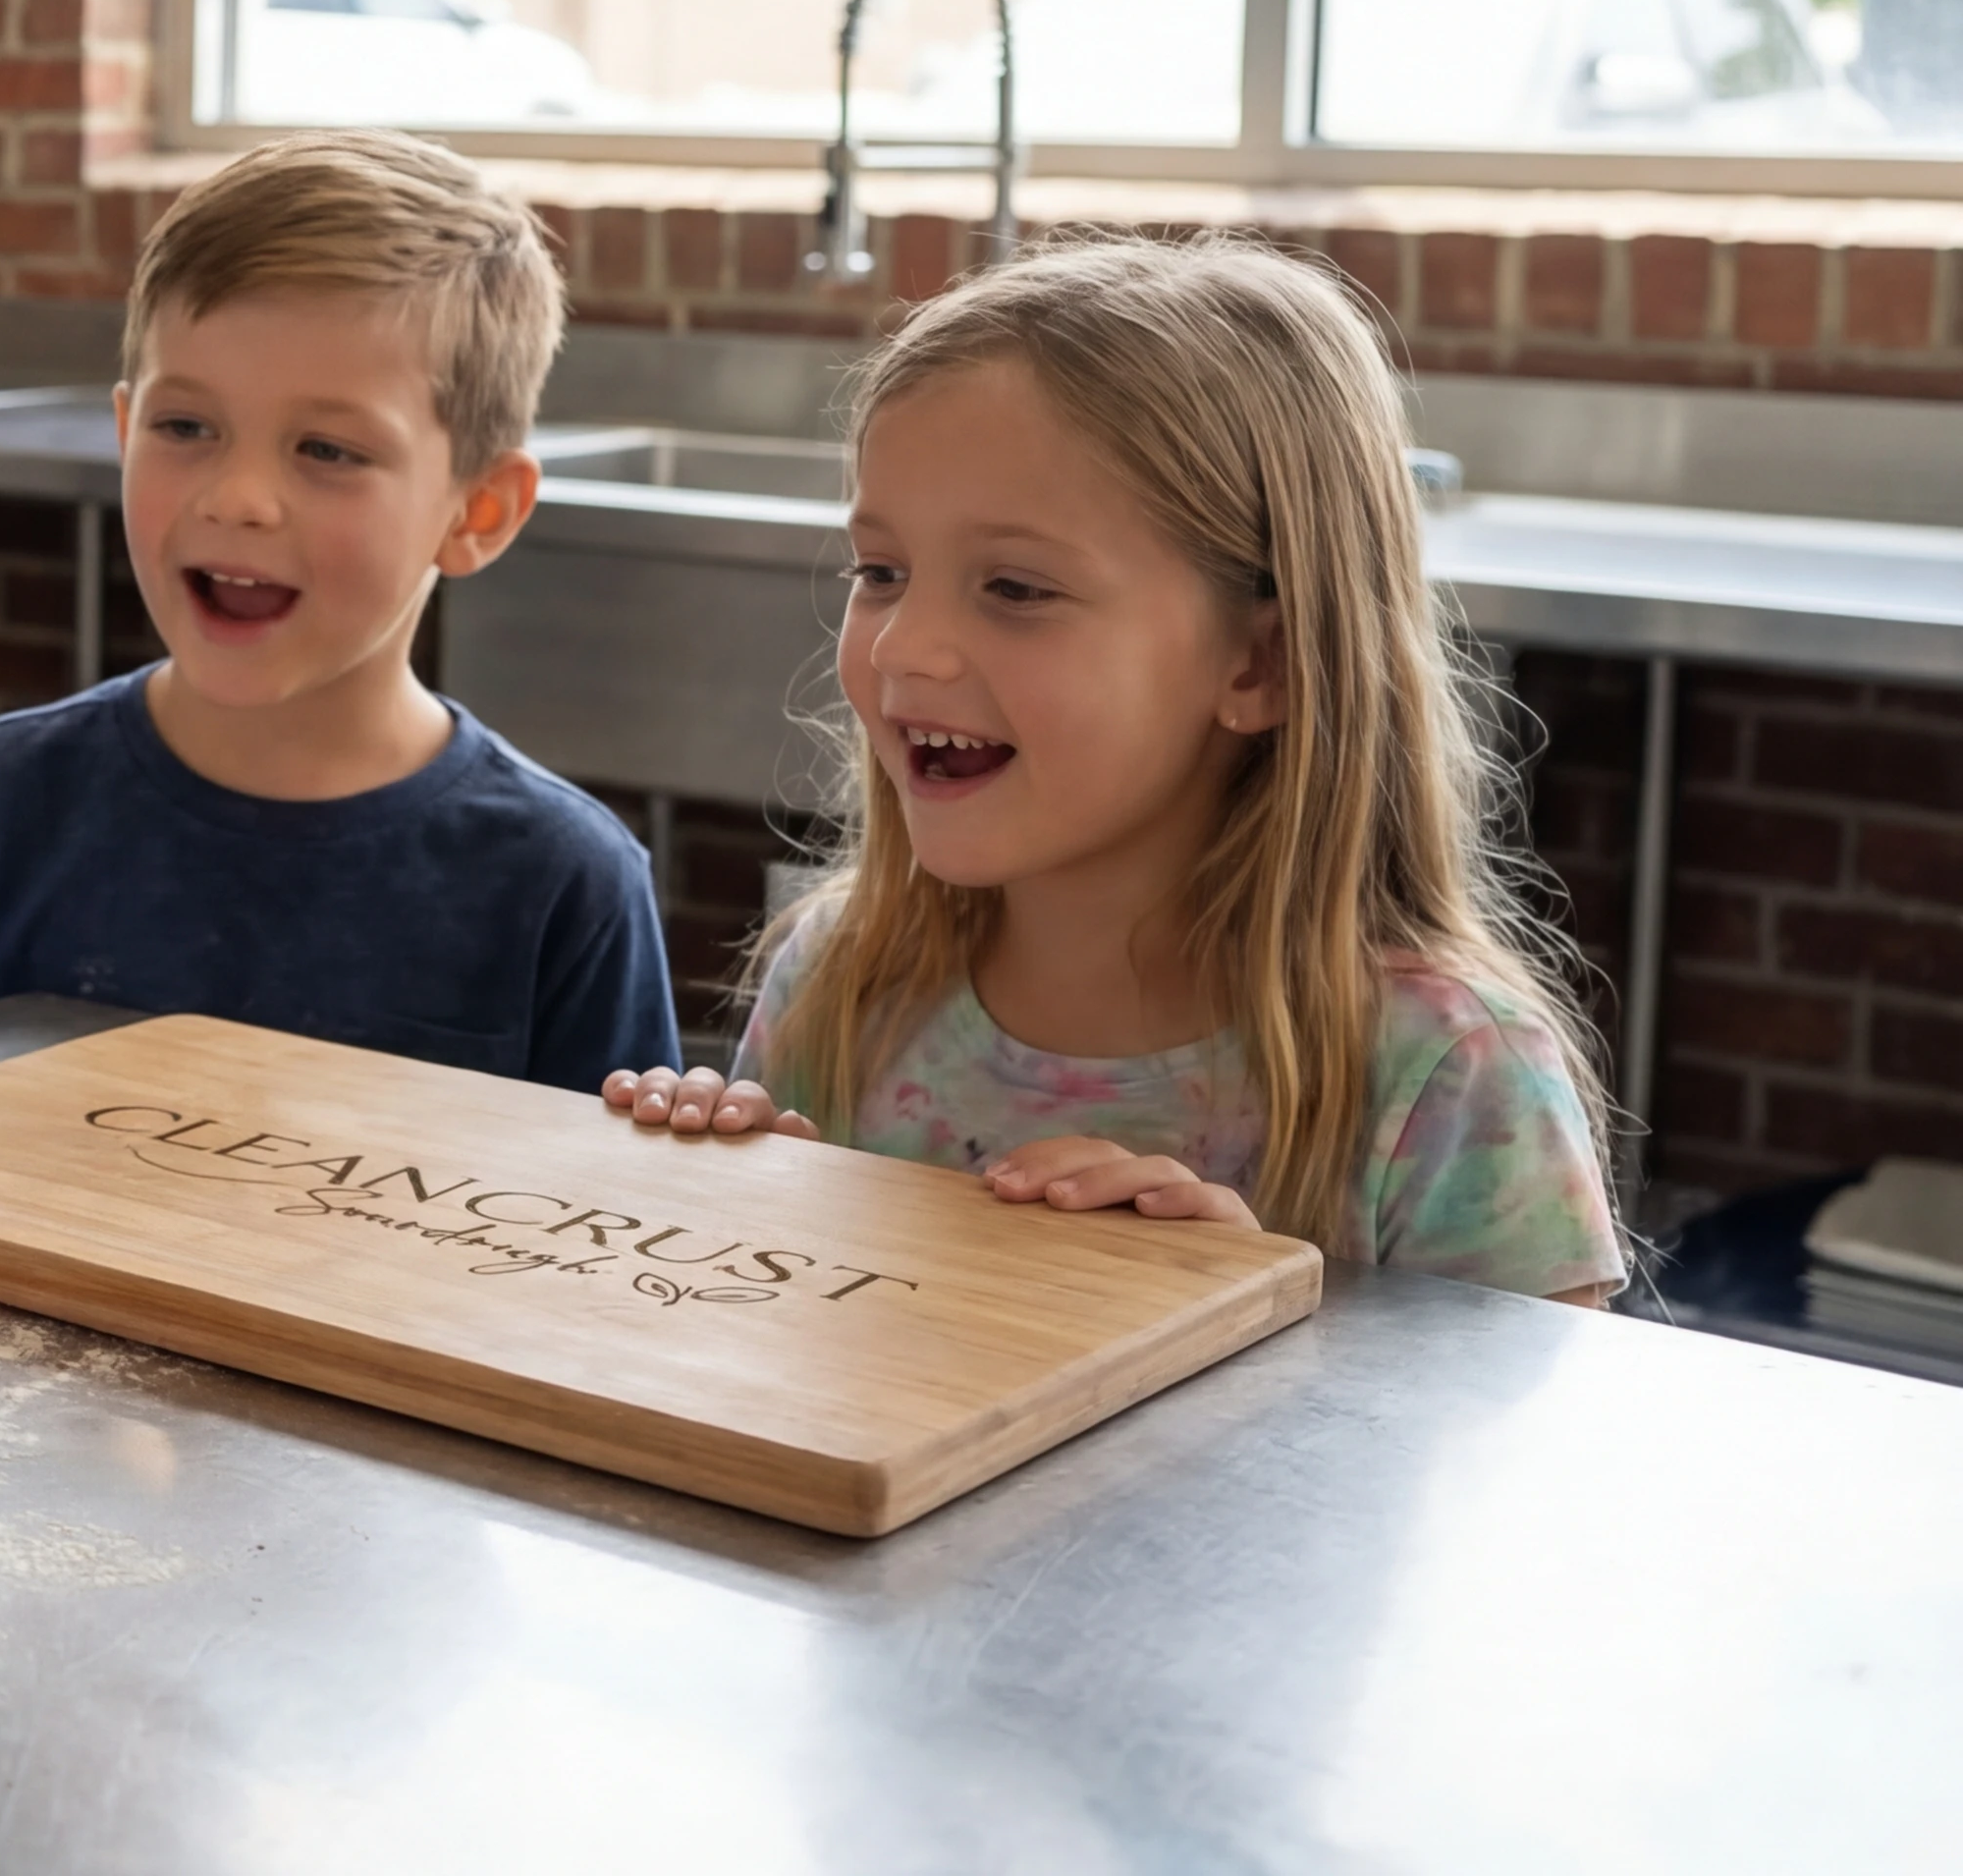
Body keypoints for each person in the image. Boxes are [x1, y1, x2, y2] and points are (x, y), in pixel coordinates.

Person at [604, 239, 1622, 1302]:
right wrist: (718, 1227)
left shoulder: (1447, 1073)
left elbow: (1535, 1469)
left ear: (1258, 663)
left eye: (1014, 587)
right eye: (879, 572)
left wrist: (1243, 1317)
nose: (902, 646)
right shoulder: (841, 980)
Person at [0, 132, 678, 1084]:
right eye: (184, 428)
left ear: (477, 511)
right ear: (122, 432)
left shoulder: (563, 882)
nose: (237, 498)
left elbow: (608, 1224)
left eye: (325, 450)